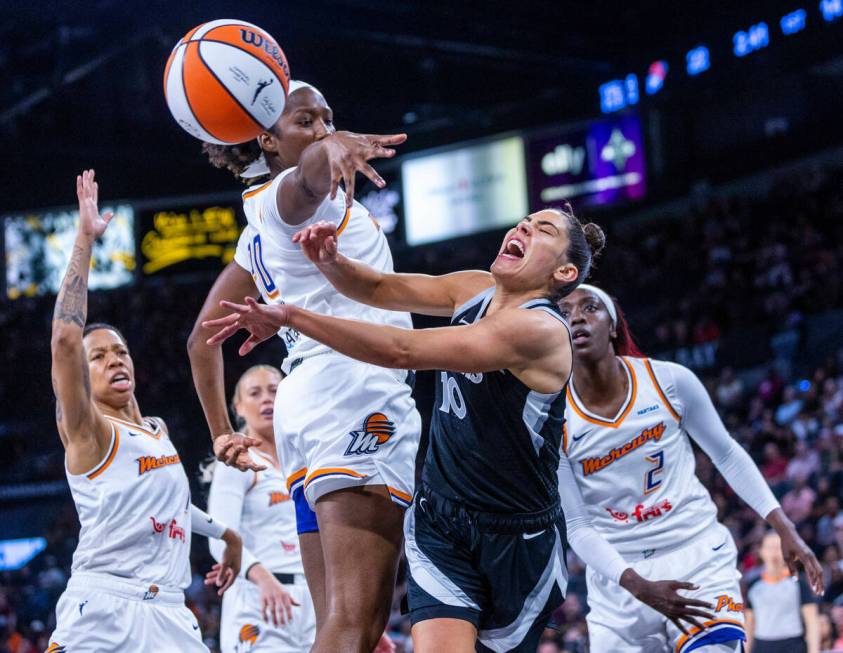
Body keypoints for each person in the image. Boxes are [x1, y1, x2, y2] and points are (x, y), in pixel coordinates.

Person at [203, 208, 715, 653]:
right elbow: (382, 288)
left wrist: (293, 315)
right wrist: (330, 262)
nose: (522, 228)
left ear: (564, 271)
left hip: (518, 537)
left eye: (540, 230)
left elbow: (402, 351)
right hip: (442, 522)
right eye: (523, 221)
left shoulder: (540, 330)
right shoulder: (475, 287)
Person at [187, 81, 417, 653]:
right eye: (305, 121)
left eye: (327, 118)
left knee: (344, 629)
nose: (321, 130)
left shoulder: (253, 230)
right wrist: (329, 146)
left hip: (308, 408)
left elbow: (200, 340)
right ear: (266, 138)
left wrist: (221, 433)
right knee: (354, 625)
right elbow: (310, 175)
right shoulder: (287, 199)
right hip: (354, 393)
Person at [556, 284, 824, 653]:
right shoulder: (552, 418)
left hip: (696, 554)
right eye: (565, 311)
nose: (577, 317)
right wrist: (638, 586)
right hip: (621, 579)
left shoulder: (668, 380)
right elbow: (578, 526)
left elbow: (726, 454)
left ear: (614, 326)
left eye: (590, 308)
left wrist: (783, 525)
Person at [47, 171, 243, 652]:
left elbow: (169, 507)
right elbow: (65, 339)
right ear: (84, 378)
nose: (115, 358)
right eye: (100, 357)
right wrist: (85, 240)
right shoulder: (88, 430)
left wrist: (224, 534)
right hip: (104, 609)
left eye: (121, 351)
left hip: (171, 614)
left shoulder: (156, 429)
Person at [205, 365, 315, 653]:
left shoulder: (307, 459)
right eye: (255, 393)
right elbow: (220, 537)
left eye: (274, 391)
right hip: (258, 599)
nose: (267, 399)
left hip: (315, 599)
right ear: (238, 408)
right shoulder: (237, 462)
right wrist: (263, 579)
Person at [744, 531, 820, 653]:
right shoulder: (753, 585)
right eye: (769, 548)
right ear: (761, 552)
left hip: (793, 645)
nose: (774, 552)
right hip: (761, 646)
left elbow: (812, 621)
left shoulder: (799, 583)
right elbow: (749, 624)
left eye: (778, 548)